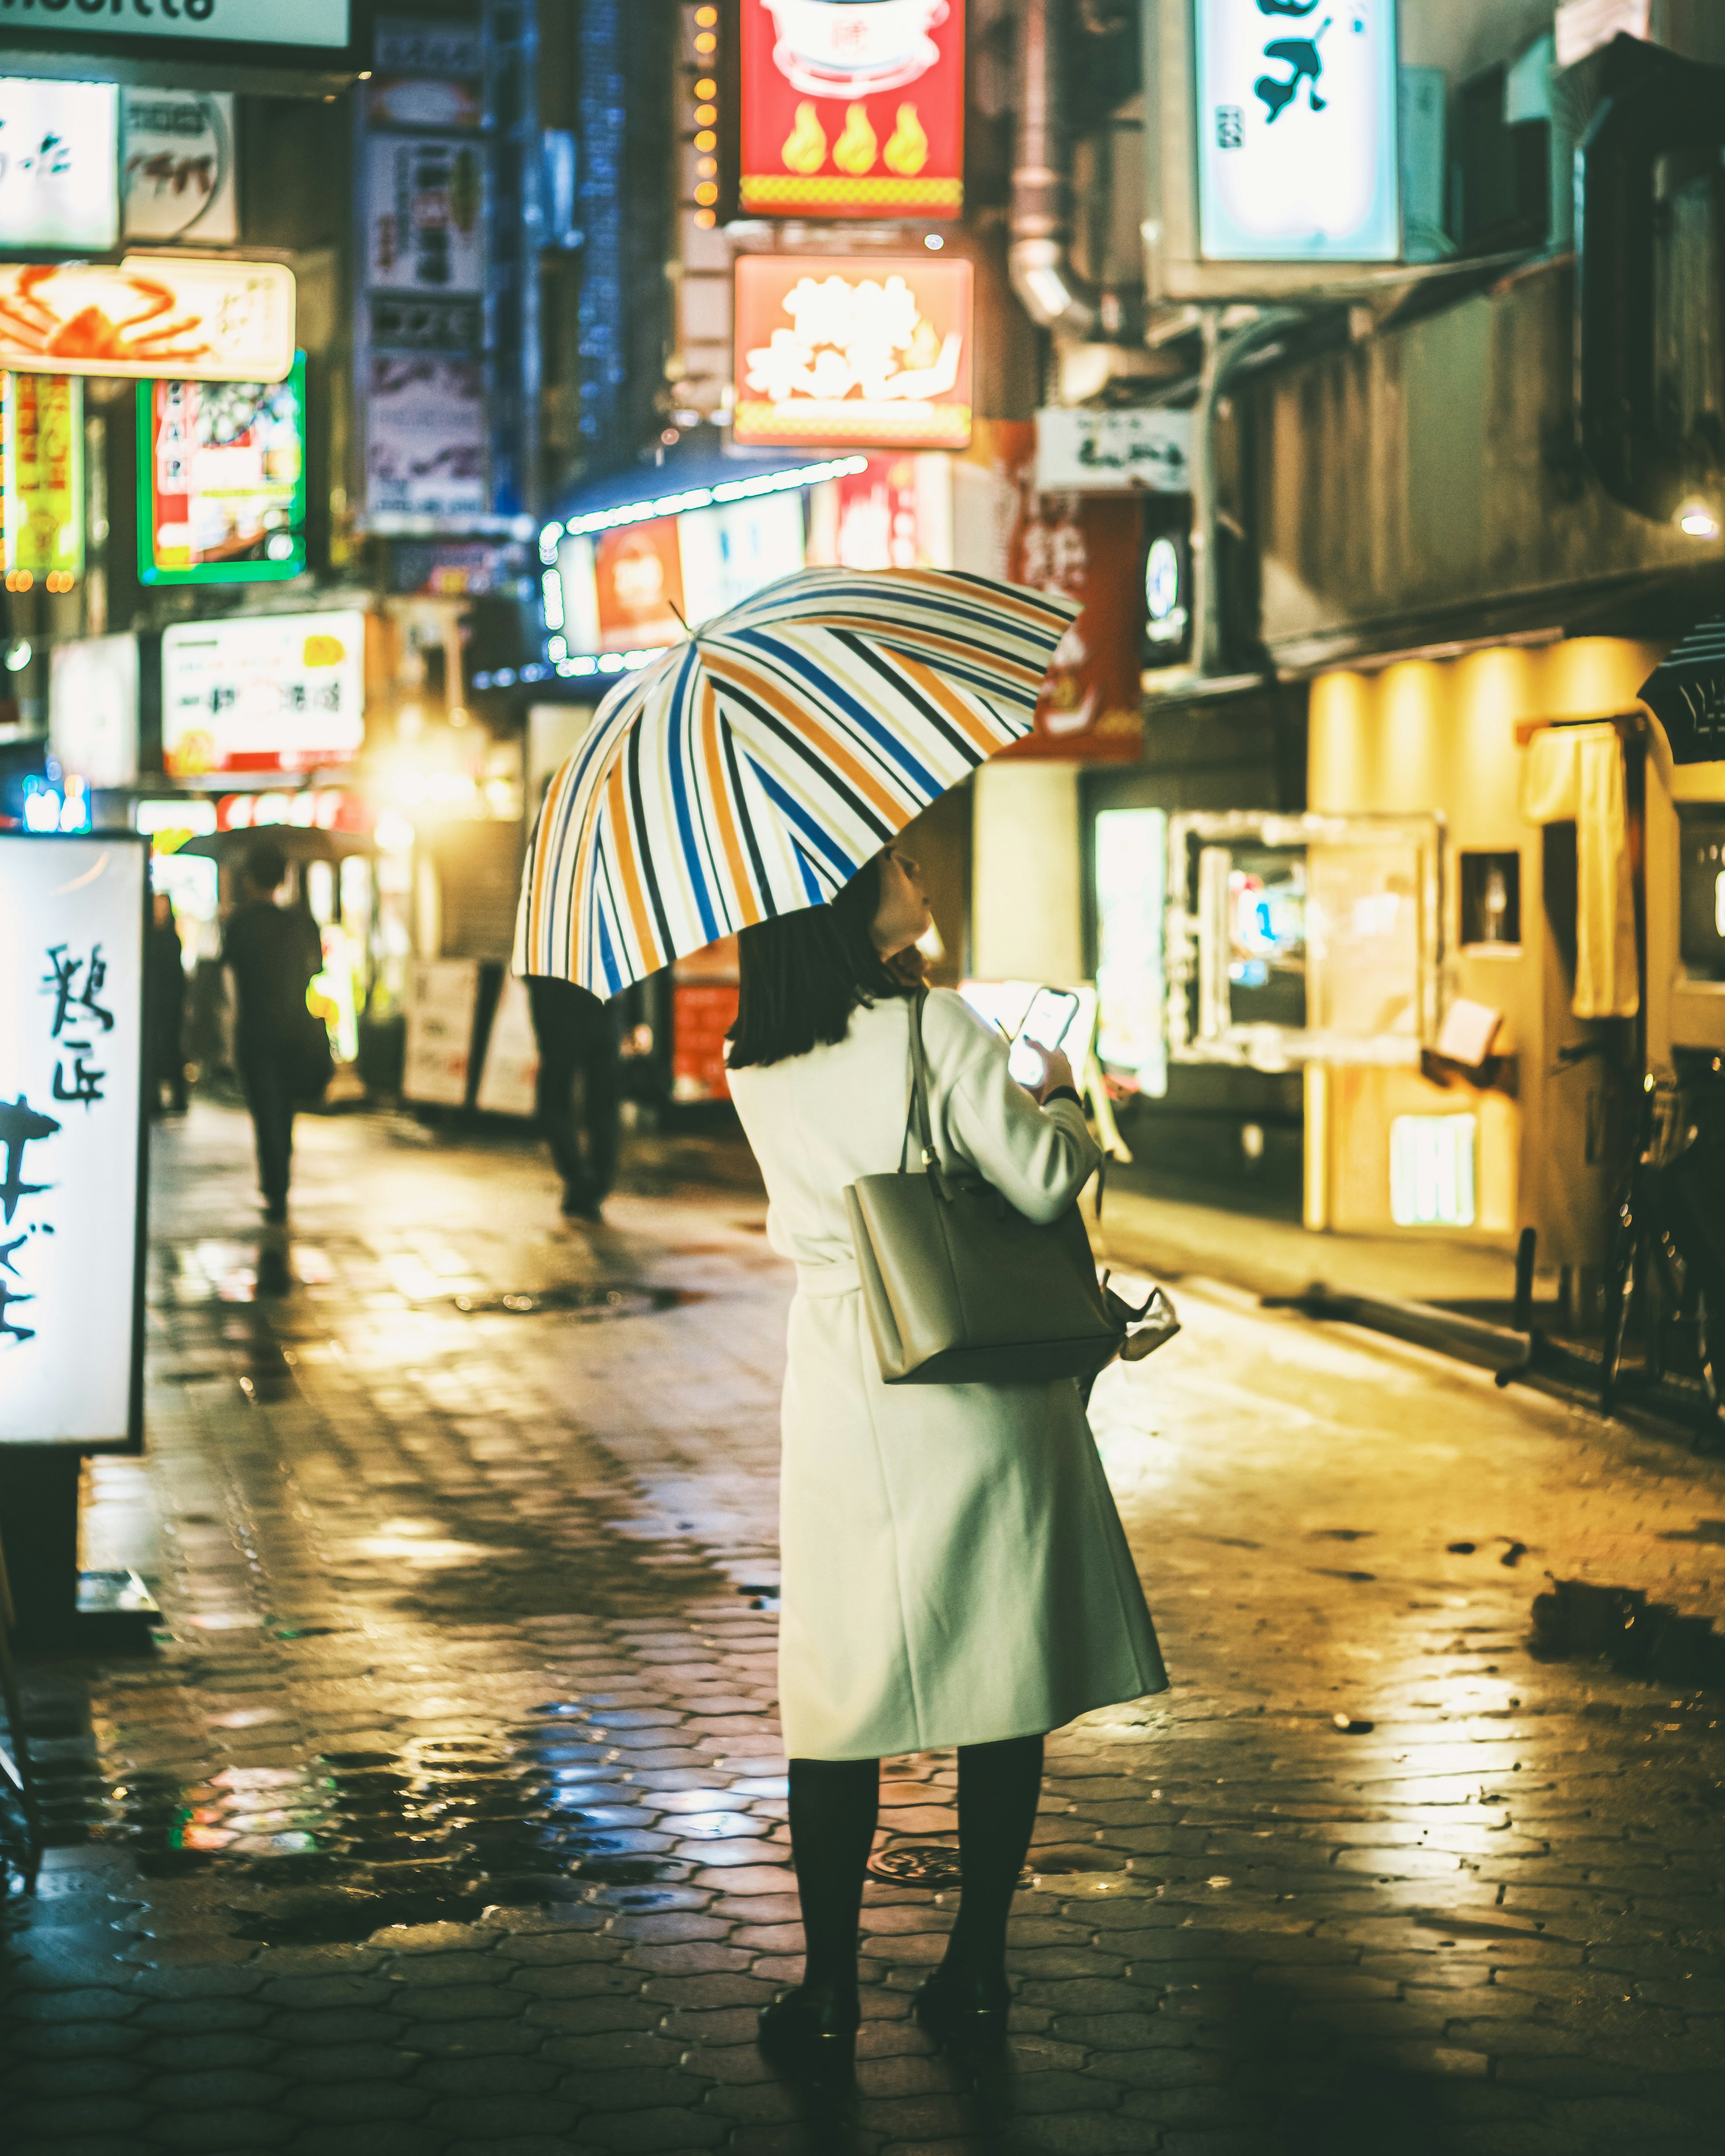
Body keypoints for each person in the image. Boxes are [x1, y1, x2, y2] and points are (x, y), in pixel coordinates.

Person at [725, 846, 1166, 2062]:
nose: (922, 872)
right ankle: (974, 1970)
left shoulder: (751, 1057)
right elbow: (1037, 1183)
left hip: (845, 1384)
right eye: (901, 863)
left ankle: (826, 1991)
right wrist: (1065, 1095)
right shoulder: (937, 1026)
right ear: (855, 900)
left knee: (839, 1690)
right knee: (999, 1675)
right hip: (972, 1384)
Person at [221, 839, 323, 1224]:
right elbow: (315, 972)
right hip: (297, 1030)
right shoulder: (300, 924)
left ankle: (275, 1187)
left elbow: (229, 986)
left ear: (249, 880)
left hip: (256, 1033)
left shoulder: (240, 924)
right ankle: (281, 1180)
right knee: (285, 1111)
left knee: (266, 1112)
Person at [527, 976, 622, 1221]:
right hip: (605, 1015)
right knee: (603, 1106)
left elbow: (530, 976)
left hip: (559, 1017)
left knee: (553, 1103)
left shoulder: (549, 939)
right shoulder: (608, 938)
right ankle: (594, 1186)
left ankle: (580, 1179)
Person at [146, 892, 189, 1116]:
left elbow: (176, 975)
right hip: (156, 1001)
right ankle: (155, 1099)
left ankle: (178, 1098)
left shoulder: (170, 939)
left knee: (171, 1048)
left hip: (169, 1002)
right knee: (154, 1047)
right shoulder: (154, 938)